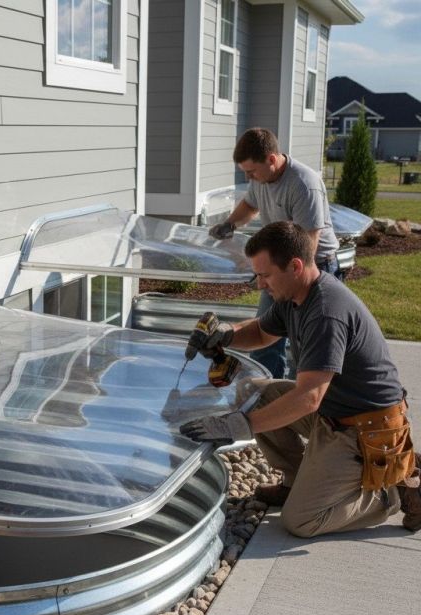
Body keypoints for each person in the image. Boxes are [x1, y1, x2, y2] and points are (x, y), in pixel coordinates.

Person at [179, 221, 421, 538]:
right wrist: (225, 334)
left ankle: (393, 490)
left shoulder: (326, 312)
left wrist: (236, 425)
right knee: (254, 392)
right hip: (334, 413)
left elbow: (308, 398)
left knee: (301, 521)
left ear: (295, 266)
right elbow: (262, 332)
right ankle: (295, 480)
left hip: (364, 429)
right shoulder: (295, 297)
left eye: (265, 275)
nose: (260, 284)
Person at [209, 128, 339, 380]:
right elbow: (250, 205)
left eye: (251, 171)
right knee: (265, 339)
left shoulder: (303, 184)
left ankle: (299, 404)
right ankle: (268, 394)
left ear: (271, 159)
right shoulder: (261, 179)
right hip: (280, 267)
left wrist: (290, 290)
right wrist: (230, 224)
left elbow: (308, 247)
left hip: (312, 268)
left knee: (304, 350)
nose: (249, 177)